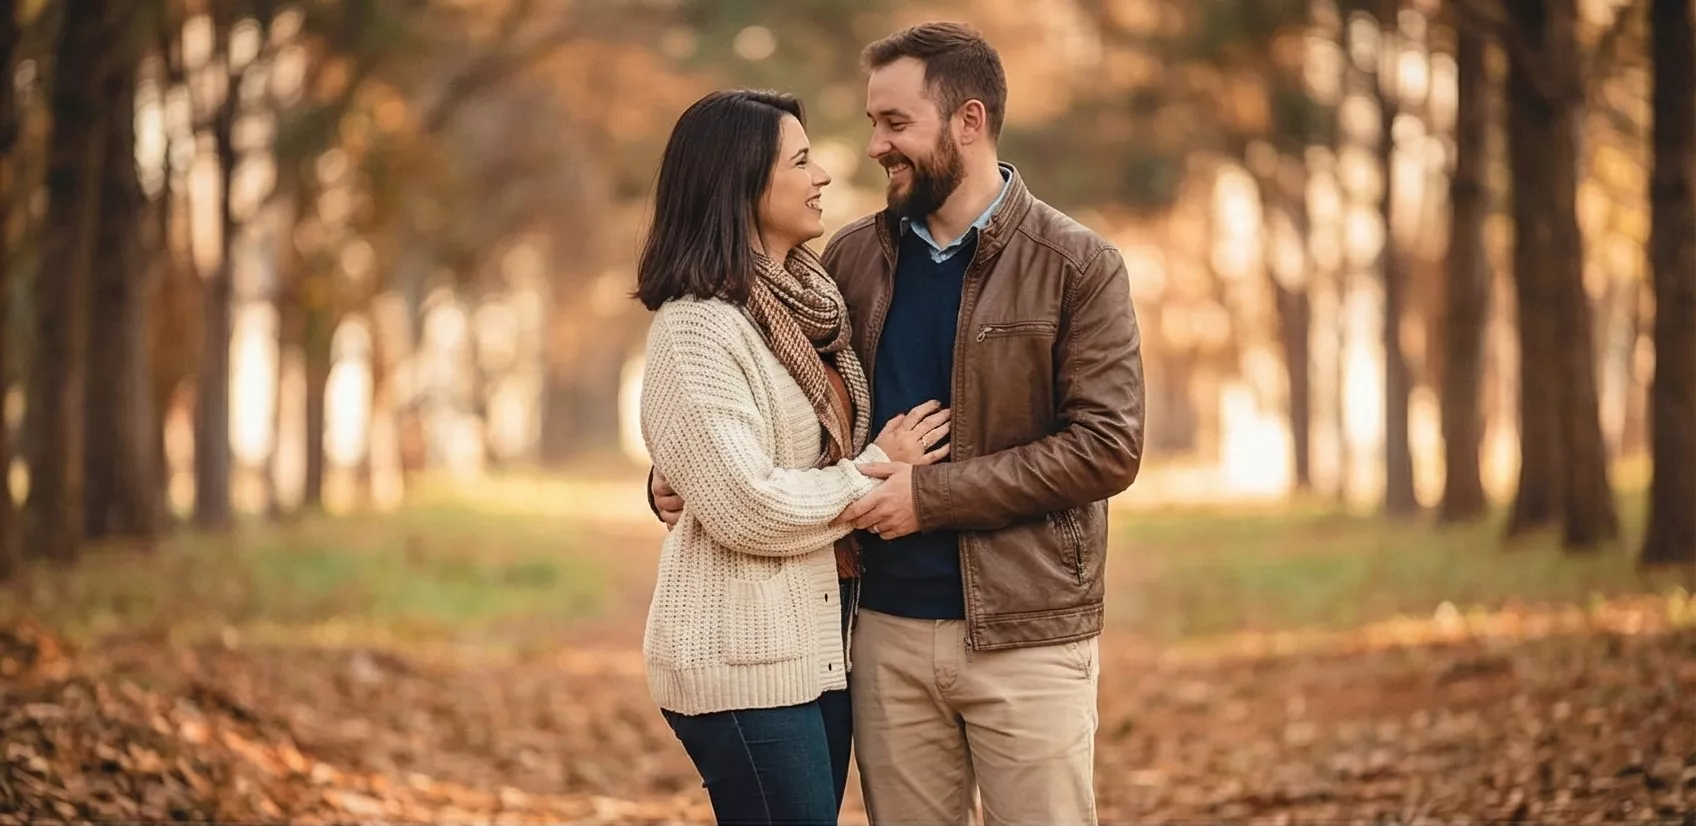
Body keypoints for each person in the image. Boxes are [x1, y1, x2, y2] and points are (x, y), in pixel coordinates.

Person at [651, 22, 1146, 826]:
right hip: (879, 630)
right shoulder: (846, 262)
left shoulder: (1076, 264)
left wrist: (930, 496)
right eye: (872, 121)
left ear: (968, 121)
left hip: (1025, 632)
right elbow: (762, 399)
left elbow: (1107, 447)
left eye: (895, 123)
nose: (875, 145)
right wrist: (679, 471)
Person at [633, 88, 952, 826]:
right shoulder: (698, 327)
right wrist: (873, 469)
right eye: (802, 161)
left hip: (815, 644)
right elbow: (746, 504)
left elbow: (744, 460)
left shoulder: (808, 305)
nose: (823, 176)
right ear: (743, 183)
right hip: (742, 660)